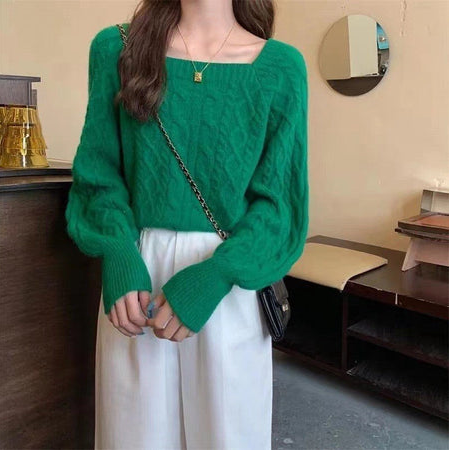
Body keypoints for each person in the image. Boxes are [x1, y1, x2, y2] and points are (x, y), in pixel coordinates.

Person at [65, 0, 309, 448]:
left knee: (228, 437)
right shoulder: (116, 50)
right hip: (138, 282)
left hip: (228, 285)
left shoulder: (281, 68)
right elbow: (98, 174)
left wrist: (218, 274)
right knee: (133, 437)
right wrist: (118, 252)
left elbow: (278, 208)